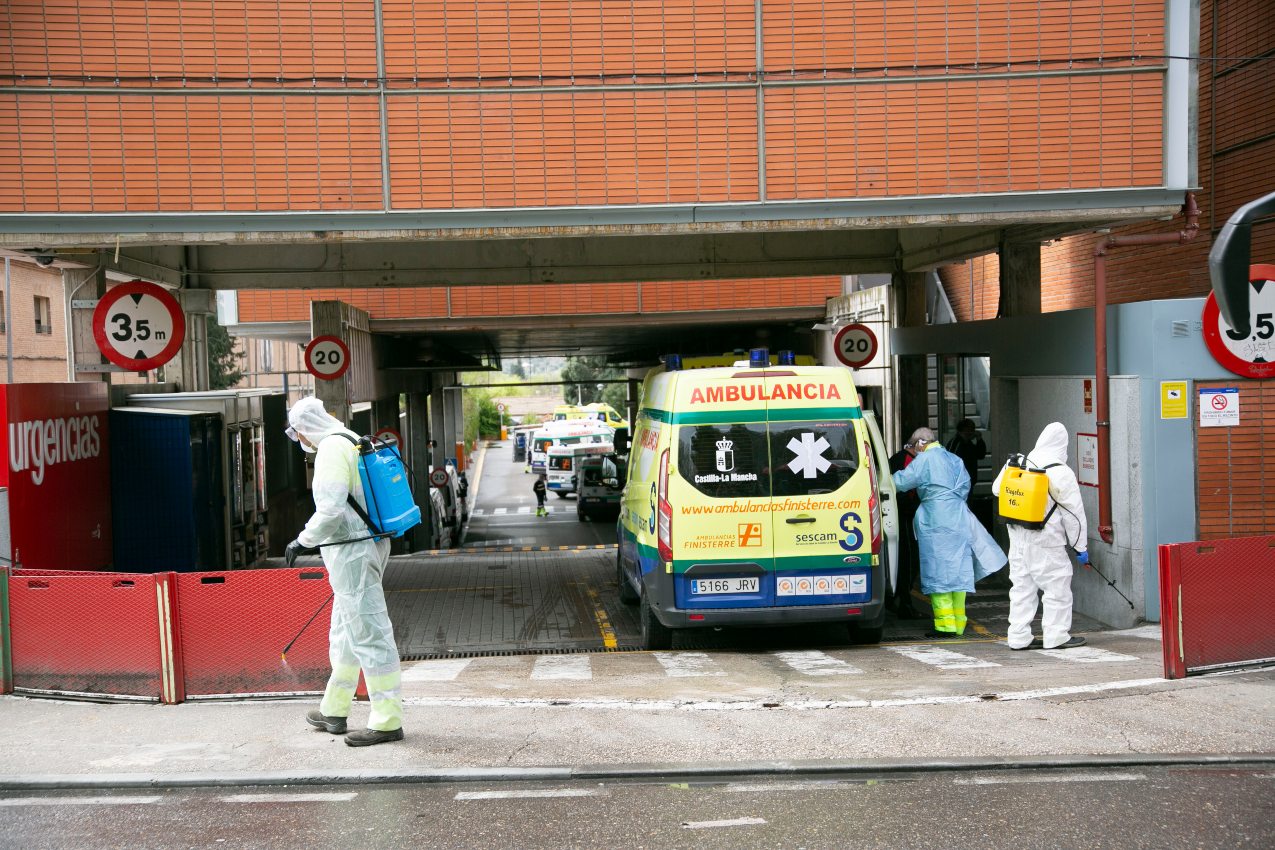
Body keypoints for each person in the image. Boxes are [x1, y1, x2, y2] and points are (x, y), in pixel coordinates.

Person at [284, 397, 404, 747]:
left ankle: (387, 720)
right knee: (346, 632)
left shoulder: (331, 449)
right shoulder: (350, 438)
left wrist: (301, 540)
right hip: (364, 544)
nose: (300, 442)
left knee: (369, 632)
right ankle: (334, 709)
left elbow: (332, 507)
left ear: (305, 429)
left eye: (297, 435)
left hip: (351, 550)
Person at [892, 426, 1007, 639]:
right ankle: (959, 623)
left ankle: (944, 626)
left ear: (920, 444)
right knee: (958, 571)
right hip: (958, 517)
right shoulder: (955, 459)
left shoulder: (924, 460)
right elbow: (965, 487)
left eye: (913, 447)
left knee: (938, 573)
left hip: (936, 520)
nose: (913, 451)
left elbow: (900, 482)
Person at [992, 422, 1089, 650]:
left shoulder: (1016, 462)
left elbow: (997, 489)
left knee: (1021, 589)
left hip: (1017, 539)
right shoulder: (1061, 472)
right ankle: (1056, 636)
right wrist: (1080, 547)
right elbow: (1074, 516)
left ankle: (1018, 637)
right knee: (1057, 588)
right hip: (1046, 542)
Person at [886, 438, 922, 619]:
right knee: (909, 561)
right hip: (905, 517)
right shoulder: (907, 461)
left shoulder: (899, 458)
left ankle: (896, 600)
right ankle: (905, 604)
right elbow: (906, 490)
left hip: (903, 515)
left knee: (906, 560)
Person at [944, 418, 988, 501]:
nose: (973, 432)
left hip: (967, 480)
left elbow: (980, 455)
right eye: (971, 429)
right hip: (958, 482)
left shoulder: (968, 444)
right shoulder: (956, 443)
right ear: (965, 430)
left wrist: (979, 440)